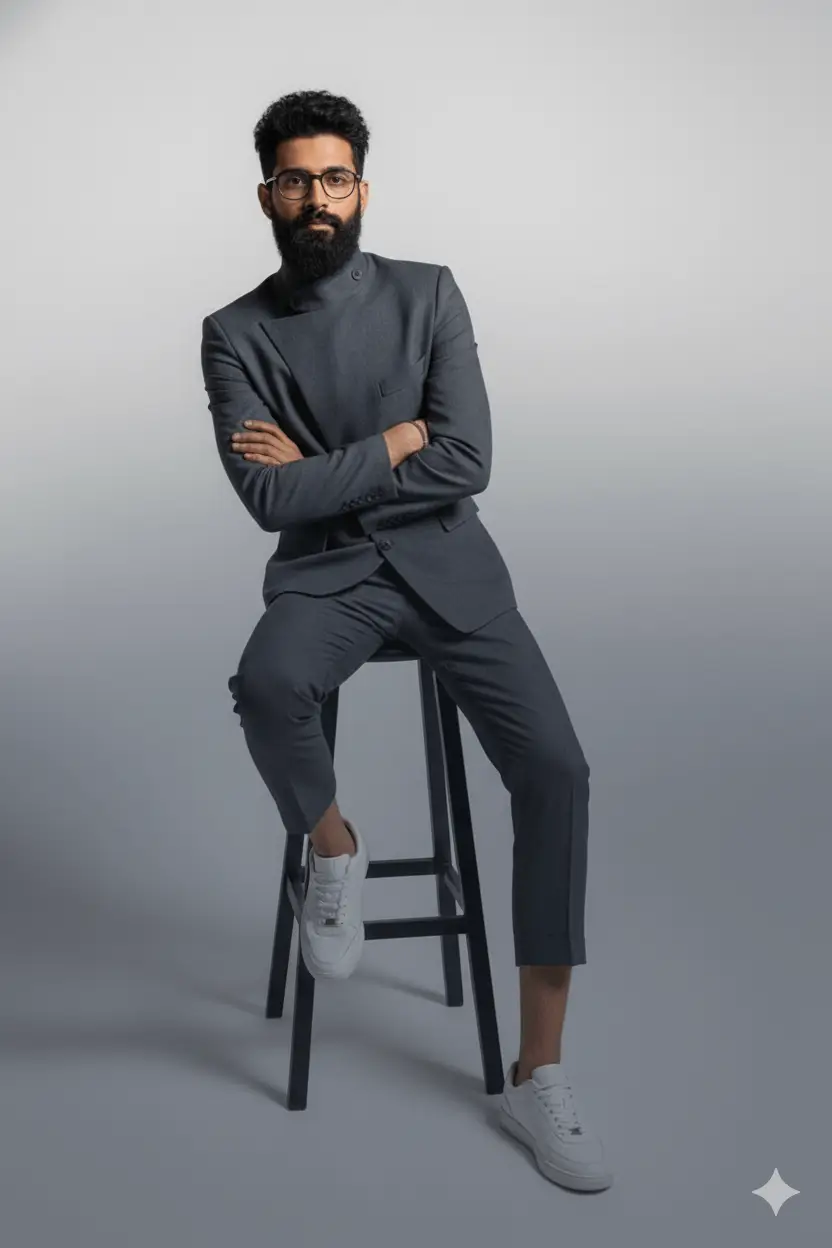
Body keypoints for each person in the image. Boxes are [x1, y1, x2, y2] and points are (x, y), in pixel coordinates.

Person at [201, 88, 612, 1192]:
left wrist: (326, 471)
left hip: (450, 571)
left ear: (362, 189)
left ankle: (539, 1073)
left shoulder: (430, 293)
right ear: (266, 194)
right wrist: (392, 439)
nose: (316, 196)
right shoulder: (232, 333)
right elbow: (264, 499)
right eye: (295, 178)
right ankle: (333, 851)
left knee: (557, 771)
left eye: (334, 177)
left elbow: (467, 460)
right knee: (264, 683)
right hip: (329, 581)